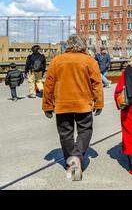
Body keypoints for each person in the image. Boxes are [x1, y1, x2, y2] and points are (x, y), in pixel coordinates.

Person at [42, 34, 104, 181]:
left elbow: (48, 85)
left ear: (68, 45)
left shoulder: (57, 61)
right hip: (83, 104)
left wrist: (47, 106)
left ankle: (71, 161)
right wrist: (99, 103)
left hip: (62, 105)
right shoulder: (89, 61)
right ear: (83, 45)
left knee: (65, 134)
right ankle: (77, 156)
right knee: (85, 131)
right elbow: (97, 84)